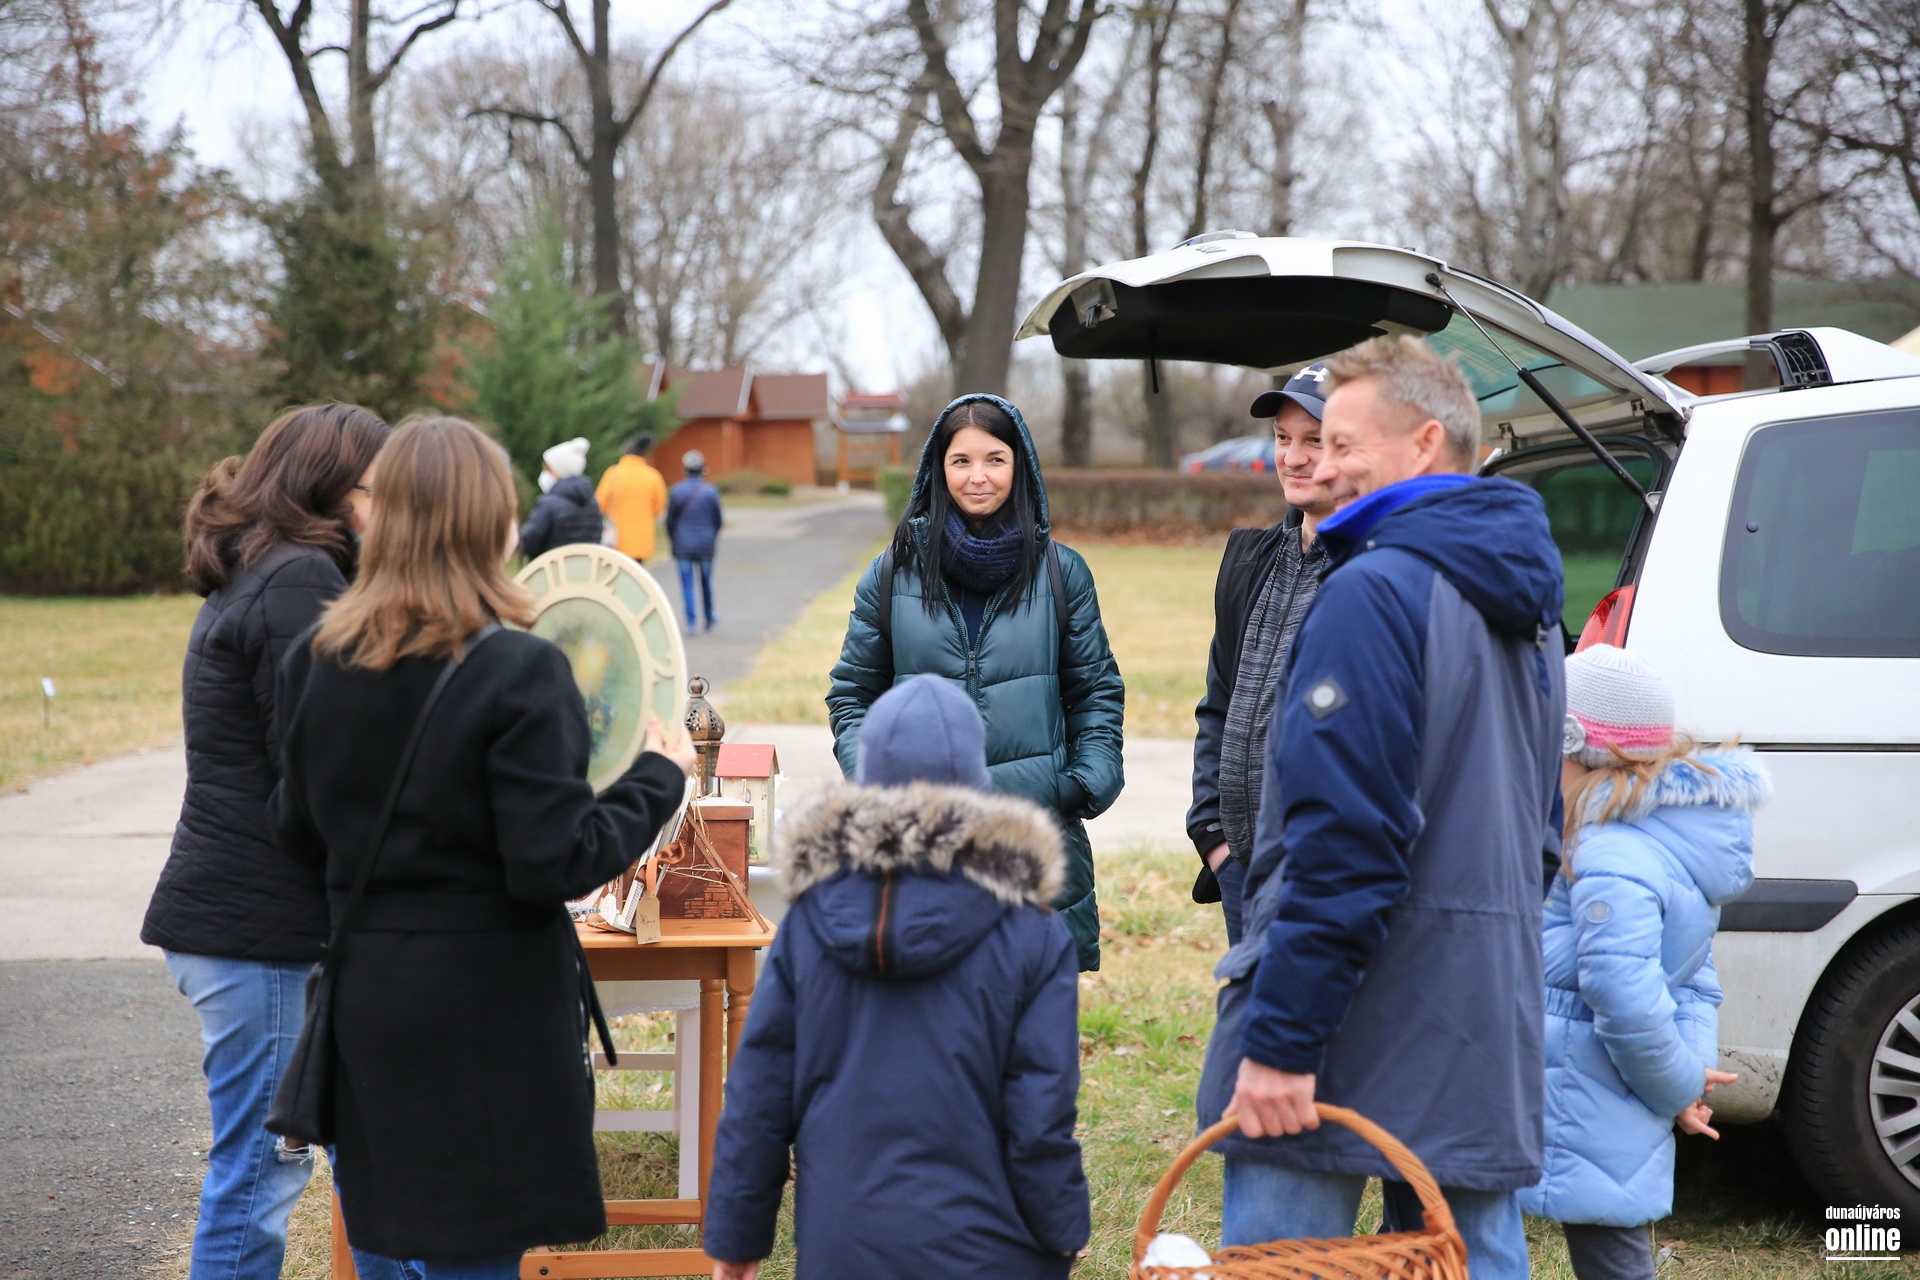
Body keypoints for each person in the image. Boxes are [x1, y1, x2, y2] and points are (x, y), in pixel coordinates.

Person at [269, 416, 696, 1275]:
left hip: (371, 1000)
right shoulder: (519, 670)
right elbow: (556, 859)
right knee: (475, 1262)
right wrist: (659, 775)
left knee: (392, 1245)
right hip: (487, 1016)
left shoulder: (317, 657)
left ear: (384, 516)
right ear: (492, 525)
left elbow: (296, 831)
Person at [1199, 336, 1565, 1280]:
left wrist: (1281, 1044)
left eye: (1345, 443)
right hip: (1476, 1019)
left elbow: (1346, 847)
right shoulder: (1529, 606)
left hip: (1341, 1031)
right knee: (1472, 1259)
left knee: (1283, 1264)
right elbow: (1540, 836)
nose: (1323, 465)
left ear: (1426, 442)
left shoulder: (1371, 590)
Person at [140, 402, 410, 1280]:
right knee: (261, 1174)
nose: (388, 512)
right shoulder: (298, 581)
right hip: (258, 932)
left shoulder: (269, 568)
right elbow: (323, 772)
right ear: (333, 487)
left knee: (361, 1163)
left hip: (263, 925)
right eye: (378, 490)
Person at [704, 675, 1089, 1280]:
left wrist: (736, 1237)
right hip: (994, 1248)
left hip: (842, 1245)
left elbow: (759, 1094)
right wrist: (1064, 1231)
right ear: (976, 783)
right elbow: (1040, 1114)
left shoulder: (808, 923)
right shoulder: (1033, 933)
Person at [825, 394, 1125, 972]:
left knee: (1033, 1006)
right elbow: (853, 695)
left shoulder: (1062, 573)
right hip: (920, 846)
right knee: (930, 1008)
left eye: (995, 459)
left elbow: (1095, 690)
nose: (978, 477)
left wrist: (1078, 784)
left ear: (1020, 466)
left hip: (1034, 837)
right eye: (961, 461)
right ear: (938, 469)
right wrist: (878, 782)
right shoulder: (892, 572)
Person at [1519, 645, 1763, 1280]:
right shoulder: (1659, 839)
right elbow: (1693, 979)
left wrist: (1678, 1084)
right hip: (1606, 1087)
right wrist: (1687, 1075)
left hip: (1579, 1084)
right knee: (1612, 1245)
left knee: (1602, 1253)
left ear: (1573, 748)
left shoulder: (1608, 855)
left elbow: (1623, 996)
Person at [1188, 363, 1338, 946]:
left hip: (1323, 879)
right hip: (1240, 868)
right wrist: (1214, 837)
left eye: (1314, 440)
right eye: (1282, 438)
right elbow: (1218, 704)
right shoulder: (1250, 558)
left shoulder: (1374, 569)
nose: (1293, 458)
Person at [519, 436, 605, 559]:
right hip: (585, 568)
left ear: (559, 470)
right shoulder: (593, 503)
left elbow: (530, 540)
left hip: (552, 567)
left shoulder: (548, 504)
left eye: (547, 469)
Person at [666, 449, 723, 630]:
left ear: (685, 469)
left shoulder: (676, 491)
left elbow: (670, 521)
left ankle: (691, 622)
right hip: (706, 544)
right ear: (703, 469)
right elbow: (718, 520)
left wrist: (674, 539)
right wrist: (712, 536)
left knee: (687, 584)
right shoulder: (711, 492)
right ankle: (708, 616)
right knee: (706, 582)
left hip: (683, 545)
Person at [596, 432, 668, 562]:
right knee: (637, 570)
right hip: (642, 537)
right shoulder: (653, 476)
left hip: (616, 537)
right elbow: (659, 507)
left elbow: (600, 503)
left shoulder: (613, 473)